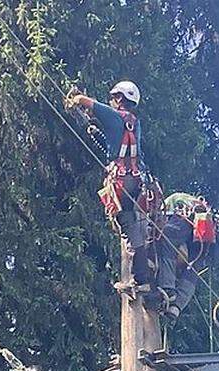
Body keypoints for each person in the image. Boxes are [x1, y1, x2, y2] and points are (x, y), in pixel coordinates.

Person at [66, 81, 154, 288]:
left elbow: (85, 102)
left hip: (121, 182)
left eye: (115, 97)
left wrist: (75, 99)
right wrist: (98, 134)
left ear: (122, 99)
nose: (112, 101)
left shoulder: (115, 116)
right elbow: (119, 142)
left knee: (127, 226)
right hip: (136, 179)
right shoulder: (135, 122)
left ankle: (140, 279)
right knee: (133, 223)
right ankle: (142, 273)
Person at [151, 192, 219, 320]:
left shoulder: (175, 198)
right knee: (192, 270)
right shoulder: (209, 215)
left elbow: (165, 219)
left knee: (167, 244)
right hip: (206, 240)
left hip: (187, 222)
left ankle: (168, 289)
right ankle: (176, 306)